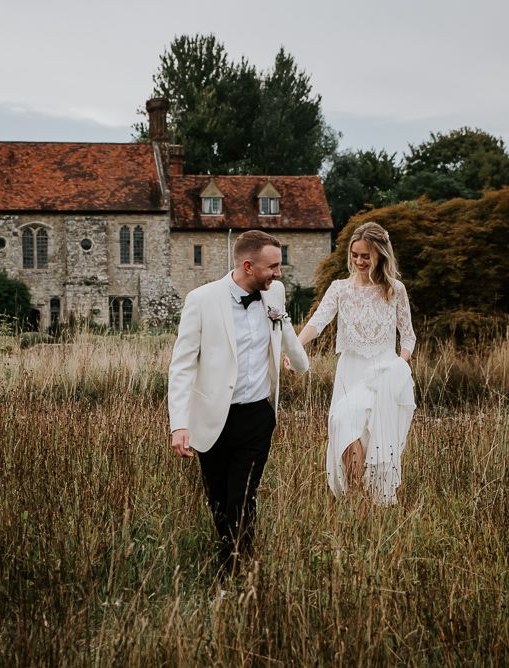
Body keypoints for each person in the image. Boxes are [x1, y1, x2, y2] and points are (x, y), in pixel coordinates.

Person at [168, 230, 309, 574]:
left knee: (243, 497)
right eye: (273, 266)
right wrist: (179, 423)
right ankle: (229, 555)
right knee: (218, 499)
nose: (279, 272)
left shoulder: (274, 292)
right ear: (248, 265)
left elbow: (280, 333)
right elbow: (182, 365)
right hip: (213, 417)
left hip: (258, 415)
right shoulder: (201, 300)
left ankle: (235, 570)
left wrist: (292, 358)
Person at [297, 221, 416, 506]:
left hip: (385, 372)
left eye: (366, 255)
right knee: (346, 426)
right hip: (350, 373)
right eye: (355, 255)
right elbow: (318, 321)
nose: (360, 261)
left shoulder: (395, 290)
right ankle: (357, 499)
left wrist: (400, 366)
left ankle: (371, 501)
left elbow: (408, 337)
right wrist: (296, 346)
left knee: (372, 439)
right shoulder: (340, 289)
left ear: (380, 255)